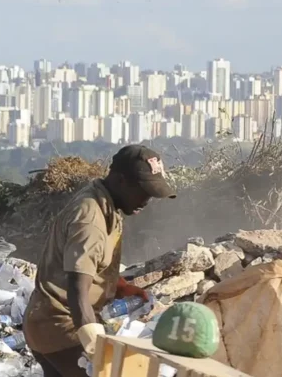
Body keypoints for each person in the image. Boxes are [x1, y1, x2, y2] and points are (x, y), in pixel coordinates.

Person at [23, 145, 176, 377]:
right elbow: (77, 288)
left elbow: (90, 265)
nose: (146, 200)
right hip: (61, 329)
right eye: (143, 191)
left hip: (45, 324)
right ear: (120, 180)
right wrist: (95, 346)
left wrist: (121, 287)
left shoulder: (106, 203)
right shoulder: (90, 218)